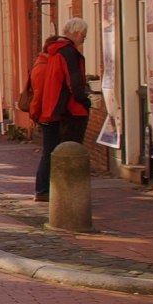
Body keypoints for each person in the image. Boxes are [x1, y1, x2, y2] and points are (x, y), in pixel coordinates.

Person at [29, 18, 91, 202]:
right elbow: (74, 81)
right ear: (77, 33)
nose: (83, 40)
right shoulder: (68, 53)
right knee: (67, 151)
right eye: (84, 36)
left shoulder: (54, 52)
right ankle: (64, 191)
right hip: (65, 110)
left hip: (51, 108)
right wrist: (84, 100)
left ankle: (44, 190)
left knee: (51, 151)